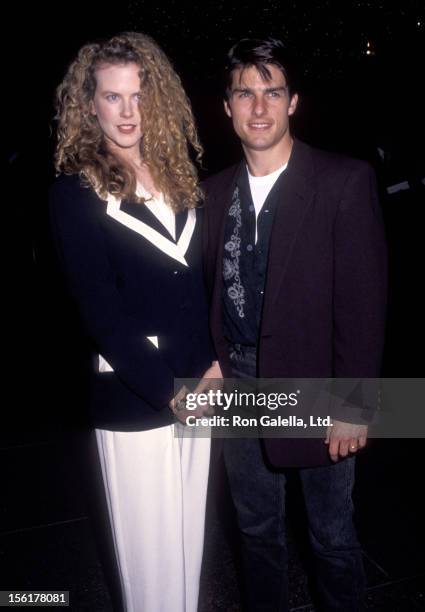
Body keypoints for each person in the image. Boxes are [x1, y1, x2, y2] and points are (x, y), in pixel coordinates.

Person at [203, 38, 387, 611]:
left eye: (273, 92)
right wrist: (208, 360)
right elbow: (201, 293)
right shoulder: (209, 195)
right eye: (245, 93)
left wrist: (356, 403)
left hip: (317, 382)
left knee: (331, 540)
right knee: (257, 537)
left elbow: (364, 302)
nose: (259, 108)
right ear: (227, 107)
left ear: (294, 102)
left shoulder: (342, 181)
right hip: (238, 383)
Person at [49, 31, 221, 612]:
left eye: (138, 96)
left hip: (202, 383)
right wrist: (168, 391)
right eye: (112, 97)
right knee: (149, 564)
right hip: (136, 390)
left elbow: (200, 283)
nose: (127, 112)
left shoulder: (179, 175)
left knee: (187, 547)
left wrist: (213, 363)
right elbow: (100, 312)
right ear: (89, 103)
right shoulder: (76, 191)